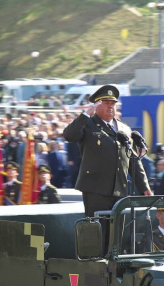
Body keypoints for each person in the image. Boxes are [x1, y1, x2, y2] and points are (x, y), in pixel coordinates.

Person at [63, 85, 151, 218]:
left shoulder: (124, 128)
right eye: (106, 103)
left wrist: (144, 186)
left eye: (113, 103)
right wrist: (86, 114)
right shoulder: (87, 124)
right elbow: (69, 136)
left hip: (120, 190)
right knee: (98, 231)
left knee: (117, 234)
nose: (110, 106)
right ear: (96, 105)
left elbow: (133, 160)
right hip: (96, 190)